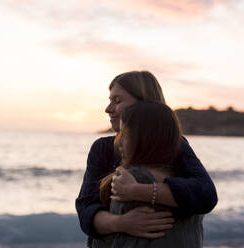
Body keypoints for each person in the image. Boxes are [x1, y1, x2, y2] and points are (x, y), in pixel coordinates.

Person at [76, 71, 217, 246]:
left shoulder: (175, 145)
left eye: (117, 101)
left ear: (144, 104)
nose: (108, 108)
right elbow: (85, 210)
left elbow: (206, 194)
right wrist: (122, 223)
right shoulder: (102, 149)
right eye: (109, 100)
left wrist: (138, 190)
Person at [93, 102, 203, 247]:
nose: (119, 143)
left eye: (124, 134)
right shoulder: (189, 180)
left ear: (142, 138)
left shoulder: (133, 179)